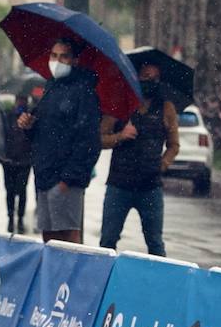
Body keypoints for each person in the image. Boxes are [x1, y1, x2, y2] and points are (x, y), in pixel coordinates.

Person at [18, 38, 102, 243]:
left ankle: (71, 276)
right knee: (49, 236)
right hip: (44, 176)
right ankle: (53, 275)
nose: (57, 61)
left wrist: (68, 180)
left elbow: (89, 141)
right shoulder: (51, 87)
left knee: (68, 236)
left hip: (65, 179)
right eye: (54, 55)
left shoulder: (84, 91)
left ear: (74, 60)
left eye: (63, 56)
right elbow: (46, 131)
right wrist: (29, 125)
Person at [99, 63, 180, 257]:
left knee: (155, 243)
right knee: (108, 241)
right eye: (144, 76)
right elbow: (101, 139)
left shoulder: (166, 108)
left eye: (153, 78)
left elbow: (174, 145)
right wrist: (121, 136)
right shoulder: (119, 104)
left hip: (150, 186)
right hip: (119, 185)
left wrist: (163, 164)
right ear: (135, 77)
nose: (148, 81)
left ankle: (158, 285)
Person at [2, 84, 40, 233]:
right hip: (8, 160)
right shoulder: (7, 116)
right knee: (9, 191)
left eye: (23, 100)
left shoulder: (31, 117)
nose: (20, 103)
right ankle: (11, 219)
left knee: (22, 190)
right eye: (19, 100)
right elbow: (2, 135)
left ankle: (20, 219)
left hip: (25, 161)